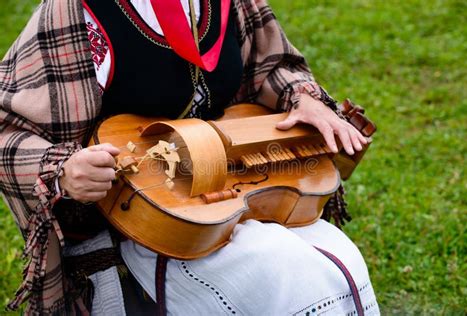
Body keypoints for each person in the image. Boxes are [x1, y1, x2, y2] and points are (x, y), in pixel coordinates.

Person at [0, 0, 379, 314]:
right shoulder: (78, 14)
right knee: (284, 271)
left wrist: (303, 96)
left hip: (235, 187)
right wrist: (63, 171)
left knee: (339, 260)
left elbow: (271, 63)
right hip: (141, 218)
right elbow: (6, 130)